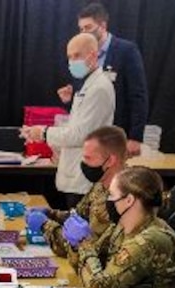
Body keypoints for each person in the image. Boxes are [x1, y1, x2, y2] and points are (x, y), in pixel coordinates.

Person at [22, 34, 115, 208]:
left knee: (79, 232)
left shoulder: (99, 88)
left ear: (93, 55)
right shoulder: (87, 86)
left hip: (84, 179)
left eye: (77, 56)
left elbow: (81, 135)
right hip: (75, 174)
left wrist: (43, 132)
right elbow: (80, 125)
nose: (72, 62)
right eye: (70, 57)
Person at [58, 3, 149, 157]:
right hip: (88, 137)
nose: (83, 33)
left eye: (88, 27)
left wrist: (135, 137)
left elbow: (138, 96)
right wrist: (70, 100)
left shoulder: (126, 51)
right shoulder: (82, 55)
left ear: (103, 25)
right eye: (81, 29)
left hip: (116, 133)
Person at [25, 125, 127, 262]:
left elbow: (78, 247)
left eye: (88, 158)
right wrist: (51, 214)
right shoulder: (101, 185)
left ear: (110, 160)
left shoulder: (122, 198)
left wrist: (44, 225)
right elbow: (79, 215)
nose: (83, 164)